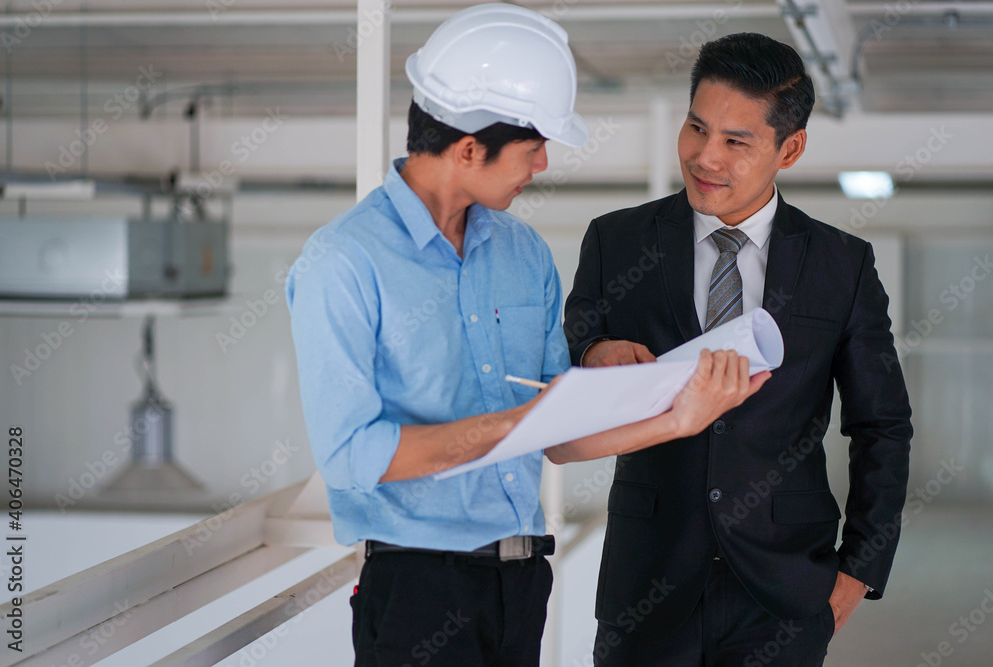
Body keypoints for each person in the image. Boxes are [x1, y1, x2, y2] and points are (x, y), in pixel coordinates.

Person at [287, 7, 768, 666]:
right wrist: (517, 422)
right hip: (416, 591)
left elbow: (558, 436)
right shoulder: (342, 262)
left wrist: (678, 418)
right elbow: (351, 455)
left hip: (522, 580)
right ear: (466, 146)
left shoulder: (523, 253)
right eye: (533, 144)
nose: (543, 162)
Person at [564, 32, 913, 666]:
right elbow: (569, 362)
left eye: (735, 141)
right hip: (647, 584)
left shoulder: (841, 265)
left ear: (791, 147)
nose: (705, 156)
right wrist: (591, 358)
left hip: (784, 589)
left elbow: (883, 426)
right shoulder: (616, 242)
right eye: (696, 128)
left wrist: (858, 571)